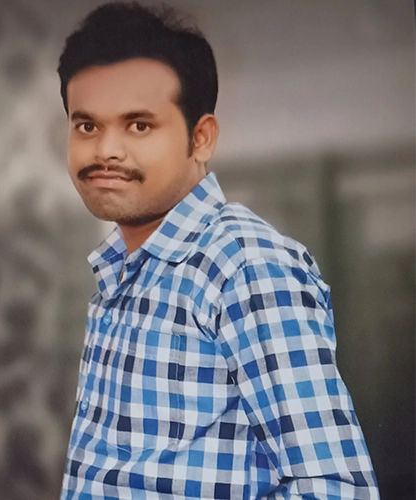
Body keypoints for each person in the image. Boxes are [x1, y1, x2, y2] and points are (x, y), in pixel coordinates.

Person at [57, 2, 379, 498]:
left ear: (201, 138)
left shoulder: (245, 266)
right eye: (87, 126)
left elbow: (334, 488)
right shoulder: (125, 271)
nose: (106, 150)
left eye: (139, 125)